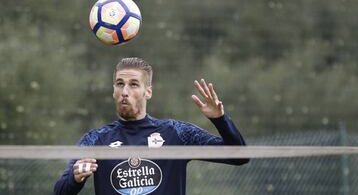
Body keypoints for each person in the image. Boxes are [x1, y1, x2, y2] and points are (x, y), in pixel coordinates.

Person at [54, 57, 249, 195]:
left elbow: (239, 156)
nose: (124, 91)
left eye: (133, 84)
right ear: (113, 91)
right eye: (119, 84)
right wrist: (75, 177)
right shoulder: (95, 140)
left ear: (148, 92)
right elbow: (60, 191)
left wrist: (220, 119)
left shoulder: (176, 133)